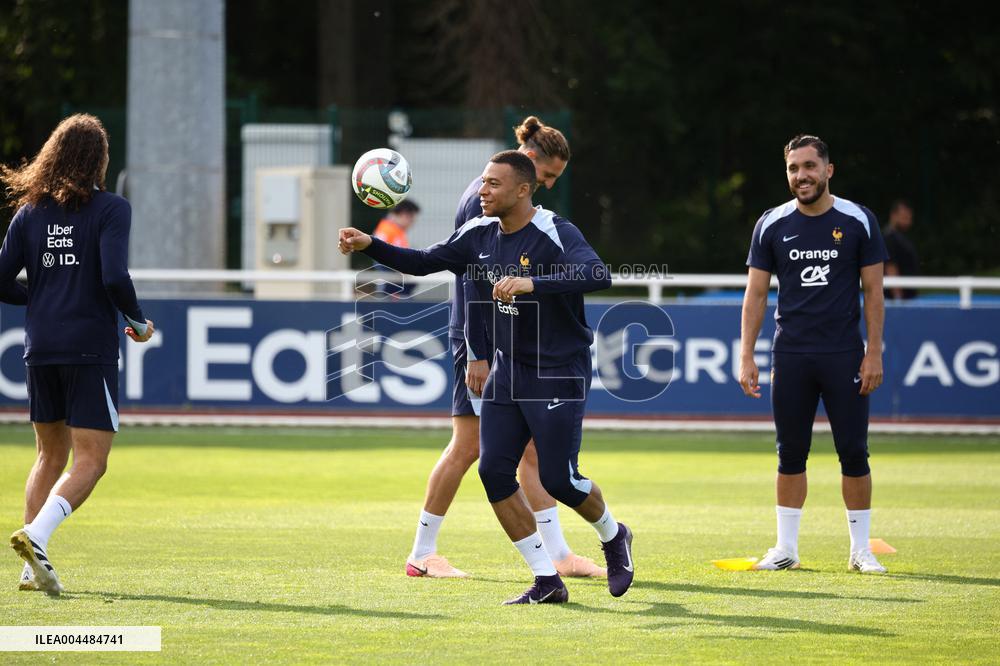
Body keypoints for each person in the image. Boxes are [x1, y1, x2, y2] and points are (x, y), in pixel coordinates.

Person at [340, 150, 633, 604]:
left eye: (493, 184)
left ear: (522, 189)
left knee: (559, 480)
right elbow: (422, 260)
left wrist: (532, 282)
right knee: (494, 471)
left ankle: (614, 537)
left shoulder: (555, 231)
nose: (482, 191)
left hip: (557, 371)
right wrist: (368, 245)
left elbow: (597, 274)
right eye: (482, 182)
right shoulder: (477, 232)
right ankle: (545, 579)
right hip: (506, 368)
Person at [403, 116, 604, 579]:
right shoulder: (485, 198)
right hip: (482, 340)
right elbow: (471, 275)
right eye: (547, 177)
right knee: (468, 447)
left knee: (528, 448)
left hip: (504, 340)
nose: (547, 187)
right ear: (530, 163)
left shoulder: (497, 192)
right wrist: (477, 351)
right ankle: (422, 552)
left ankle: (558, 555)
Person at [0, 114, 155, 596]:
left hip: (40, 348)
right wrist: (137, 320)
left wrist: (42, 299)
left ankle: (30, 570)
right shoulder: (111, 209)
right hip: (88, 346)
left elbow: (1, 278)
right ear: (100, 160)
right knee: (92, 460)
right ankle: (38, 536)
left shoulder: (29, 213)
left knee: (49, 453)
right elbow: (113, 276)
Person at [738, 134, 889, 574]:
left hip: (844, 354)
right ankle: (786, 549)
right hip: (791, 356)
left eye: (808, 166)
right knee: (790, 452)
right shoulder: (771, 223)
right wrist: (746, 355)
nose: (801, 176)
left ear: (828, 170)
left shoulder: (859, 220)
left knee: (854, 452)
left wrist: (873, 353)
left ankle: (861, 551)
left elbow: (875, 294)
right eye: (792, 168)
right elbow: (755, 295)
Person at [882, 199, 919, 300]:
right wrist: (898, 298)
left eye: (909, 218)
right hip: (897, 299)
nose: (908, 221)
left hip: (908, 297)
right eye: (904, 217)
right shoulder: (889, 238)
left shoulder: (901, 237)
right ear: (893, 215)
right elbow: (891, 267)